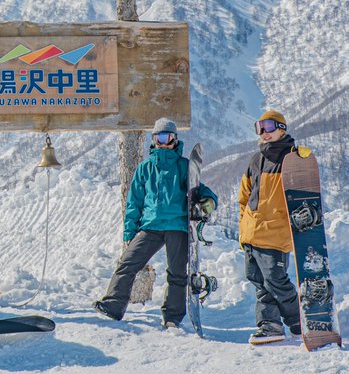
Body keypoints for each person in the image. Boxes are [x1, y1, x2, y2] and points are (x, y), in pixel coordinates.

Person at [93, 118, 217, 329]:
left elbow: (202, 191)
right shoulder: (145, 168)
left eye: (166, 137)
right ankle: (113, 305)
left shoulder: (184, 166)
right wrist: (129, 233)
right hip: (150, 226)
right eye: (158, 137)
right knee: (127, 263)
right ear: (153, 140)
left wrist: (208, 203)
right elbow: (134, 203)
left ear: (174, 139)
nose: (162, 142)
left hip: (177, 226)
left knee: (177, 273)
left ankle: (172, 317)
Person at [238, 110, 305, 344]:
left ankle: (298, 320)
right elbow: (244, 196)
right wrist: (243, 227)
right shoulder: (256, 160)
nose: (263, 133)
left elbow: (303, 195)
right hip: (252, 232)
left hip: (276, 232)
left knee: (275, 279)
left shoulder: (292, 158)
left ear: (281, 128)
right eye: (259, 128)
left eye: (268, 127)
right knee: (257, 280)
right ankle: (271, 325)